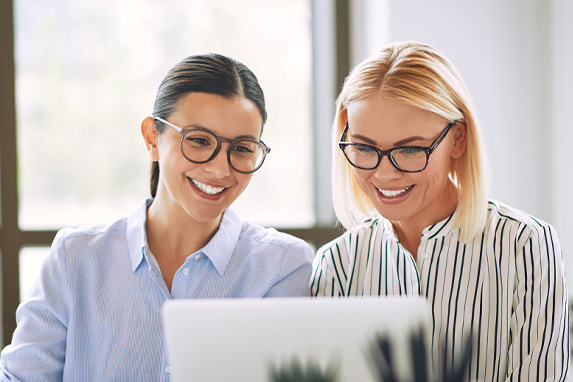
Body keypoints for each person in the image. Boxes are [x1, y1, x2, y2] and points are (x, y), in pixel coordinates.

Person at [1, 53, 313, 381]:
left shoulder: (282, 268)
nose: (220, 169)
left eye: (242, 148)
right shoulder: (74, 258)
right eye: (199, 141)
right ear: (152, 138)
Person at [310, 41, 569, 381]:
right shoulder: (337, 264)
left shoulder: (525, 245)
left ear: (458, 139)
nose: (385, 174)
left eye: (411, 150)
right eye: (364, 147)